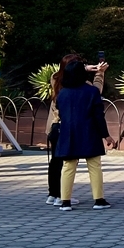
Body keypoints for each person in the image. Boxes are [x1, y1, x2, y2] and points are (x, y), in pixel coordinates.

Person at [46, 54, 106, 206]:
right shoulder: (83, 86)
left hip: (56, 127)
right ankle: (97, 199)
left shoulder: (58, 82)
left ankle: (56, 195)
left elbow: (56, 74)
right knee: (89, 164)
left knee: (58, 162)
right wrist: (99, 73)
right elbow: (96, 92)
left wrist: (81, 69)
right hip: (79, 129)